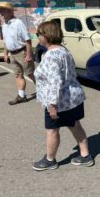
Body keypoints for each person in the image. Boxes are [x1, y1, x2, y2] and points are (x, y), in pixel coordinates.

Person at [32, 21, 94, 171]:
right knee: (74, 125)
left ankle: (50, 160)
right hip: (72, 98)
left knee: (52, 131)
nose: (38, 37)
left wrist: (52, 105)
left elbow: (55, 81)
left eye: (39, 34)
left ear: (47, 35)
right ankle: (86, 156)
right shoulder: (63, 50)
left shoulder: (51, 55)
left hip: (59, 101)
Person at [0, 1, 36, 105]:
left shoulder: (18, 23)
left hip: (22, 53)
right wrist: (5, 54)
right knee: (18, 75)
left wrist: (29, 55)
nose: (0, 13)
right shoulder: (4, 25)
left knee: (31, 74)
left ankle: (45, 93)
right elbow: (6, 41)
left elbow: (28, 40)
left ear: (10, 11)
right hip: (12, 54)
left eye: (3, 10)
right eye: (0, 10)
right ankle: (21, 96)